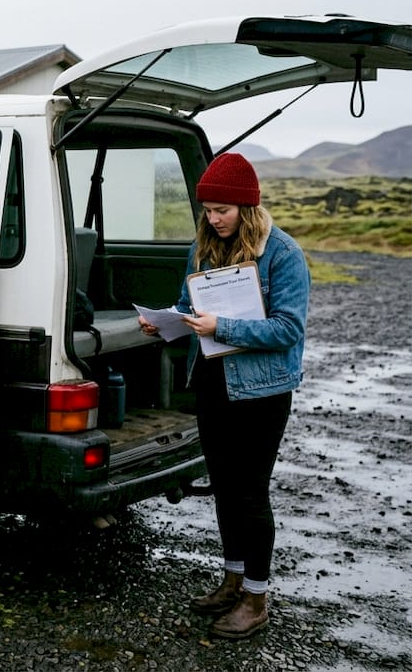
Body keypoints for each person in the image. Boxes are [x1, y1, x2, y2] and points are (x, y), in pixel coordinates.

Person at [138, 153, 309, 640]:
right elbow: (188, 305)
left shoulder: (283, 253)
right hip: (213, 383)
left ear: (246, 208)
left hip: (261, 392)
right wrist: (164, 322)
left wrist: (223, 326)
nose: (213, 219)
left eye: (222, 211)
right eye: (207, 210)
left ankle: (257, 598)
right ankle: (232, 580)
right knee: (225, 487)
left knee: (251, 494)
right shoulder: (203, 247)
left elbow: (288, 328)